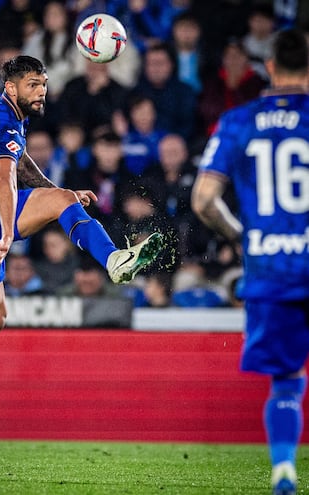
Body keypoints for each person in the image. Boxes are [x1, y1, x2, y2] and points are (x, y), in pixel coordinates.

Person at [0, 55, 164, 452]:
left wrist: (56, 193)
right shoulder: (0, 118)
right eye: (33, 84)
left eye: (45, 83)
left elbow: (18, 164)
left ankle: (114, 260)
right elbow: (4, 178)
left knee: (64, 199)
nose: (42, 91)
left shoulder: (8, 113)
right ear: (12, 87)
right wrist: (5, 236)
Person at [191, 28, 309, 495]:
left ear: (271, 67)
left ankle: (284, 469)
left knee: (285, 380)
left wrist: (244, 238)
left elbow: (203, 201)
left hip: (270, 269)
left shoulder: (239, 121)